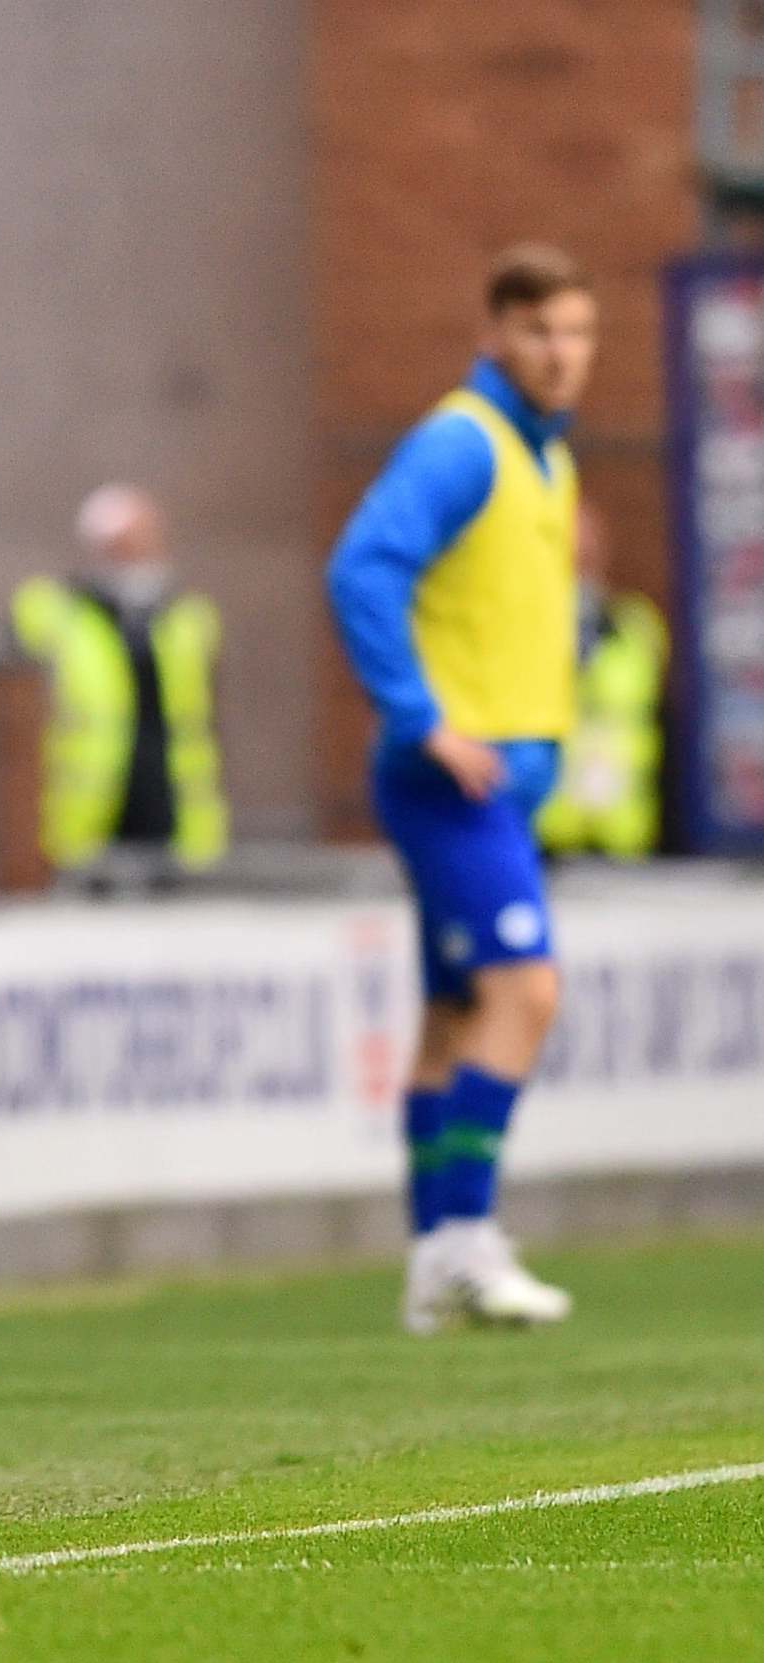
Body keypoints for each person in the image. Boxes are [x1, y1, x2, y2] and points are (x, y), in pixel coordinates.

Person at [326, 243, 594, 1336]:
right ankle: (471, 1241)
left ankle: (435, 1254)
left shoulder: (545, 456)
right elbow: (362, 566)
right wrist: (421, 715)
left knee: (448, 1014)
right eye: (538, 332)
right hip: (453, 782)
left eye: (576, 334)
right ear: (494, 334)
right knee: (524, 992)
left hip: (497, 782)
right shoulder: (464, 443)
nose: (560, 354)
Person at [11, 484, 227, 888]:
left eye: (136, 541)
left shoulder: (186, 616)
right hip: (90, 813)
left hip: (171, 804)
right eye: (115, 545)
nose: (127, 555)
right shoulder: (61, 612)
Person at [534, 503, 668, 859]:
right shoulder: (526, 630)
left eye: (587, 545)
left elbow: (662, 725)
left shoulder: (635, 626)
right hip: (548, 834)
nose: (579, 554)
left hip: (625, 837)